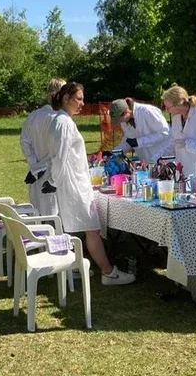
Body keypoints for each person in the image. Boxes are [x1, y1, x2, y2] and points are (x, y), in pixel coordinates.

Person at [46, 82, 135, 285]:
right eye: (78, 99)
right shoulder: (63, 123)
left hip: (72, 182)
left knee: (76, 229)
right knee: (92, 229)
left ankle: (72, 268)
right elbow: (59, 157)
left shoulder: (60, 121)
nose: (82, 103)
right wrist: (54, 180)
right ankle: (108, 272)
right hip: (73, 184)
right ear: (66, 98)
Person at [20, 78, 65, 215]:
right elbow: (59, 152)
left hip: (36, 175)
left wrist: (35, 165)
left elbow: (24, 142)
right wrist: (39, 167)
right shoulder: (61, 119)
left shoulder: (34, 116)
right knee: (55, 217)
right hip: (53, 176)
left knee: (39, 215)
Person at [109, 97, 172, 163]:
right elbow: (129, 141)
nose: (120, 122)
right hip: (147, 162)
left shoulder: (147, 111)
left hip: (164, 158)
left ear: (126, 111)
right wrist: (113, 153)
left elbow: (164, 132)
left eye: (120, 119)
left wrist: (139, 142)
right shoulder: (125, 120)